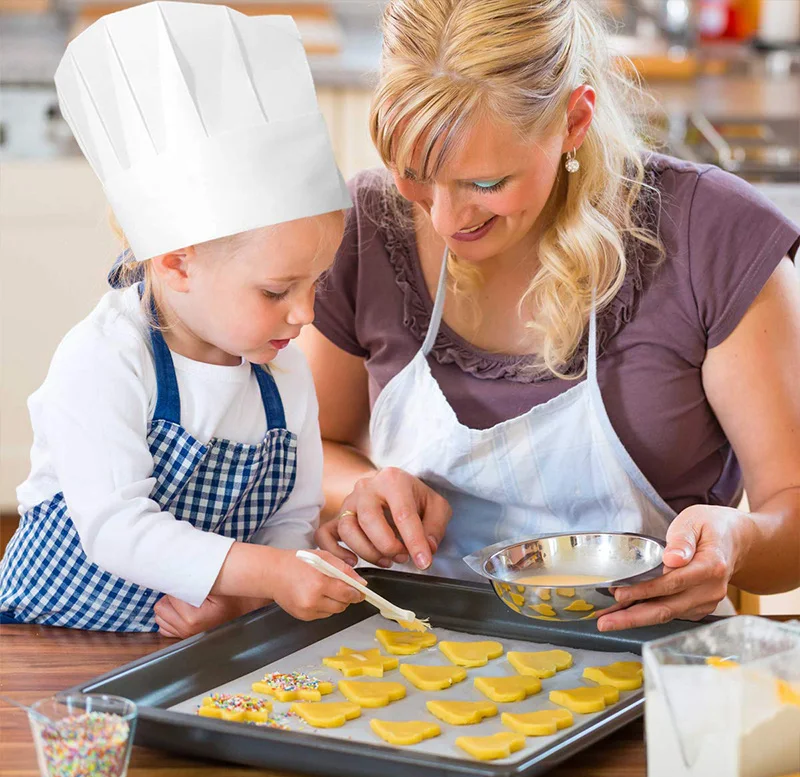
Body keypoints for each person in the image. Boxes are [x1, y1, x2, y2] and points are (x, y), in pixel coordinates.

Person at [301, 0, 800, 630]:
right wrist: (362, 495)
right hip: (406, 651)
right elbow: (317, 447)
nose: (446, 219)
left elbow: (792, 515)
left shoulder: (713, 235)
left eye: (485, 183)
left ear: (574, 120)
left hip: (645, 663)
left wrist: (739, 543)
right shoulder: (367, 227)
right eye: (416, 175)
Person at [0, 1, 364, 634]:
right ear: (176, 264)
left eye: (317, 283)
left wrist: (246, 599)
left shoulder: (283, 377)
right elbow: (118, 530)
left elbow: (288, 521)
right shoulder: (107, 359)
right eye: (277, 290)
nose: (305, 313)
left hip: (178, 654)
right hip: (50, 643)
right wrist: (273, 576)